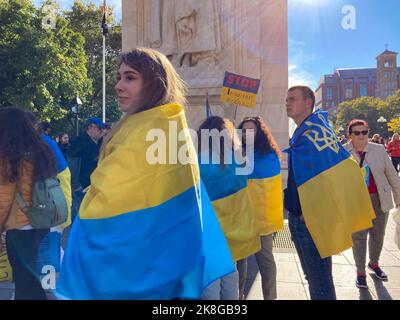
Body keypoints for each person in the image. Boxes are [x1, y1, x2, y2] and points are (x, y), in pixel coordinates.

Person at [56, 48, 234, 300]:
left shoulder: (152, 130)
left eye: (130, 77)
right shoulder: (162, 125)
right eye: (118, 77)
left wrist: (89, 203)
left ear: (154, 83)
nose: (118, 85)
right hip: (159, 260)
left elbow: (111, 203)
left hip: (138, 265)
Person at [284, 86, 375, 300]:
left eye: (293, 99)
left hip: (311, 218)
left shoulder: (313, 132)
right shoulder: (308, 131)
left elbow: (332, 174)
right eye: (286, 99)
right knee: (314, 278)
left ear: (309, 103)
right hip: (300, 216)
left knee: (320, 283)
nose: (287, 103)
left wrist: (313, 211)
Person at [197, 116, 260, 300]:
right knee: (230, 276)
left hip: (210, 232)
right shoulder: (239, 160)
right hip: (234, 229)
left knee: (211, 283)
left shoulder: (198, 163)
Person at [0, 107, 57, 300]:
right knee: (34, 281)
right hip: (42, 223)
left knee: (25, 283)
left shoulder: (10, 158)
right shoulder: (42, 151)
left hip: (20, 228)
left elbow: (4, 200)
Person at [344, 120, 400, 288]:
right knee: (358, 236)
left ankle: (374, 263)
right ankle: (360, 272)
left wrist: (398, 198)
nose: (362, 136)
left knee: (378, 234)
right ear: (350, 135)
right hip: (356, 200)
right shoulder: (343, 152)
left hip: (379, 198)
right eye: (357, 133)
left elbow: (392, 175)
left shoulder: (379, 149)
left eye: (365, 132)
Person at [236, 116, 283, 300]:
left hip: (262, 218)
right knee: (240, 259)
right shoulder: (236, 153)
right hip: (241, 215)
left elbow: (257, 176)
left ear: (259, 133)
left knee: (265, 261)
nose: (247, 134)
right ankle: (238, 296)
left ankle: (270, 297)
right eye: (244, 130)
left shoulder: (269, 155)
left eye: (251, 130)